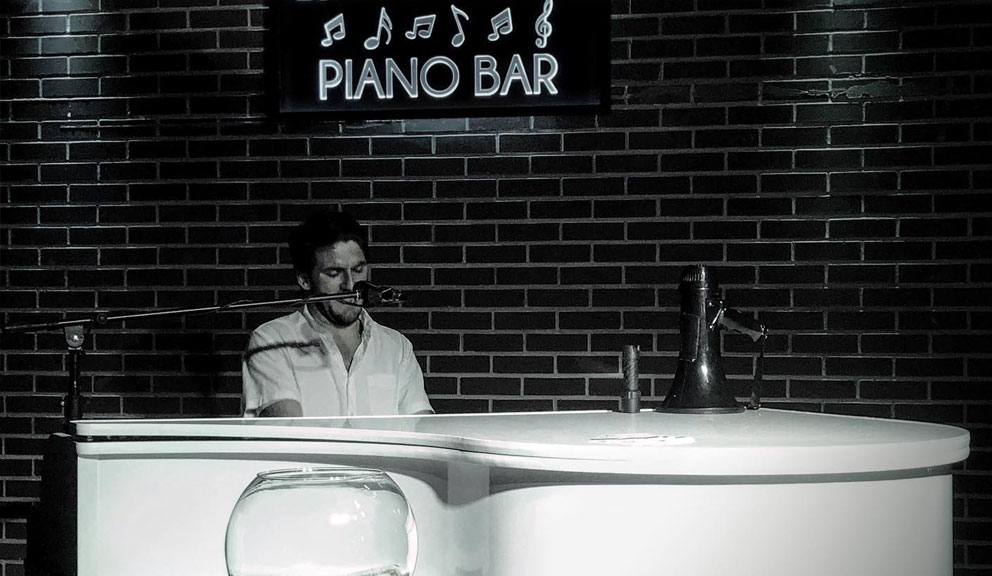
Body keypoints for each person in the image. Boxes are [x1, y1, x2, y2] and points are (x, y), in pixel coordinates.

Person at [241, 209, 433, 417]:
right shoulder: (272, 340)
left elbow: (419, 429)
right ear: (304, 279)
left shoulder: (396, 347)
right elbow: (290, 435)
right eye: (334, 273)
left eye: (358, 270)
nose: (350, 285)